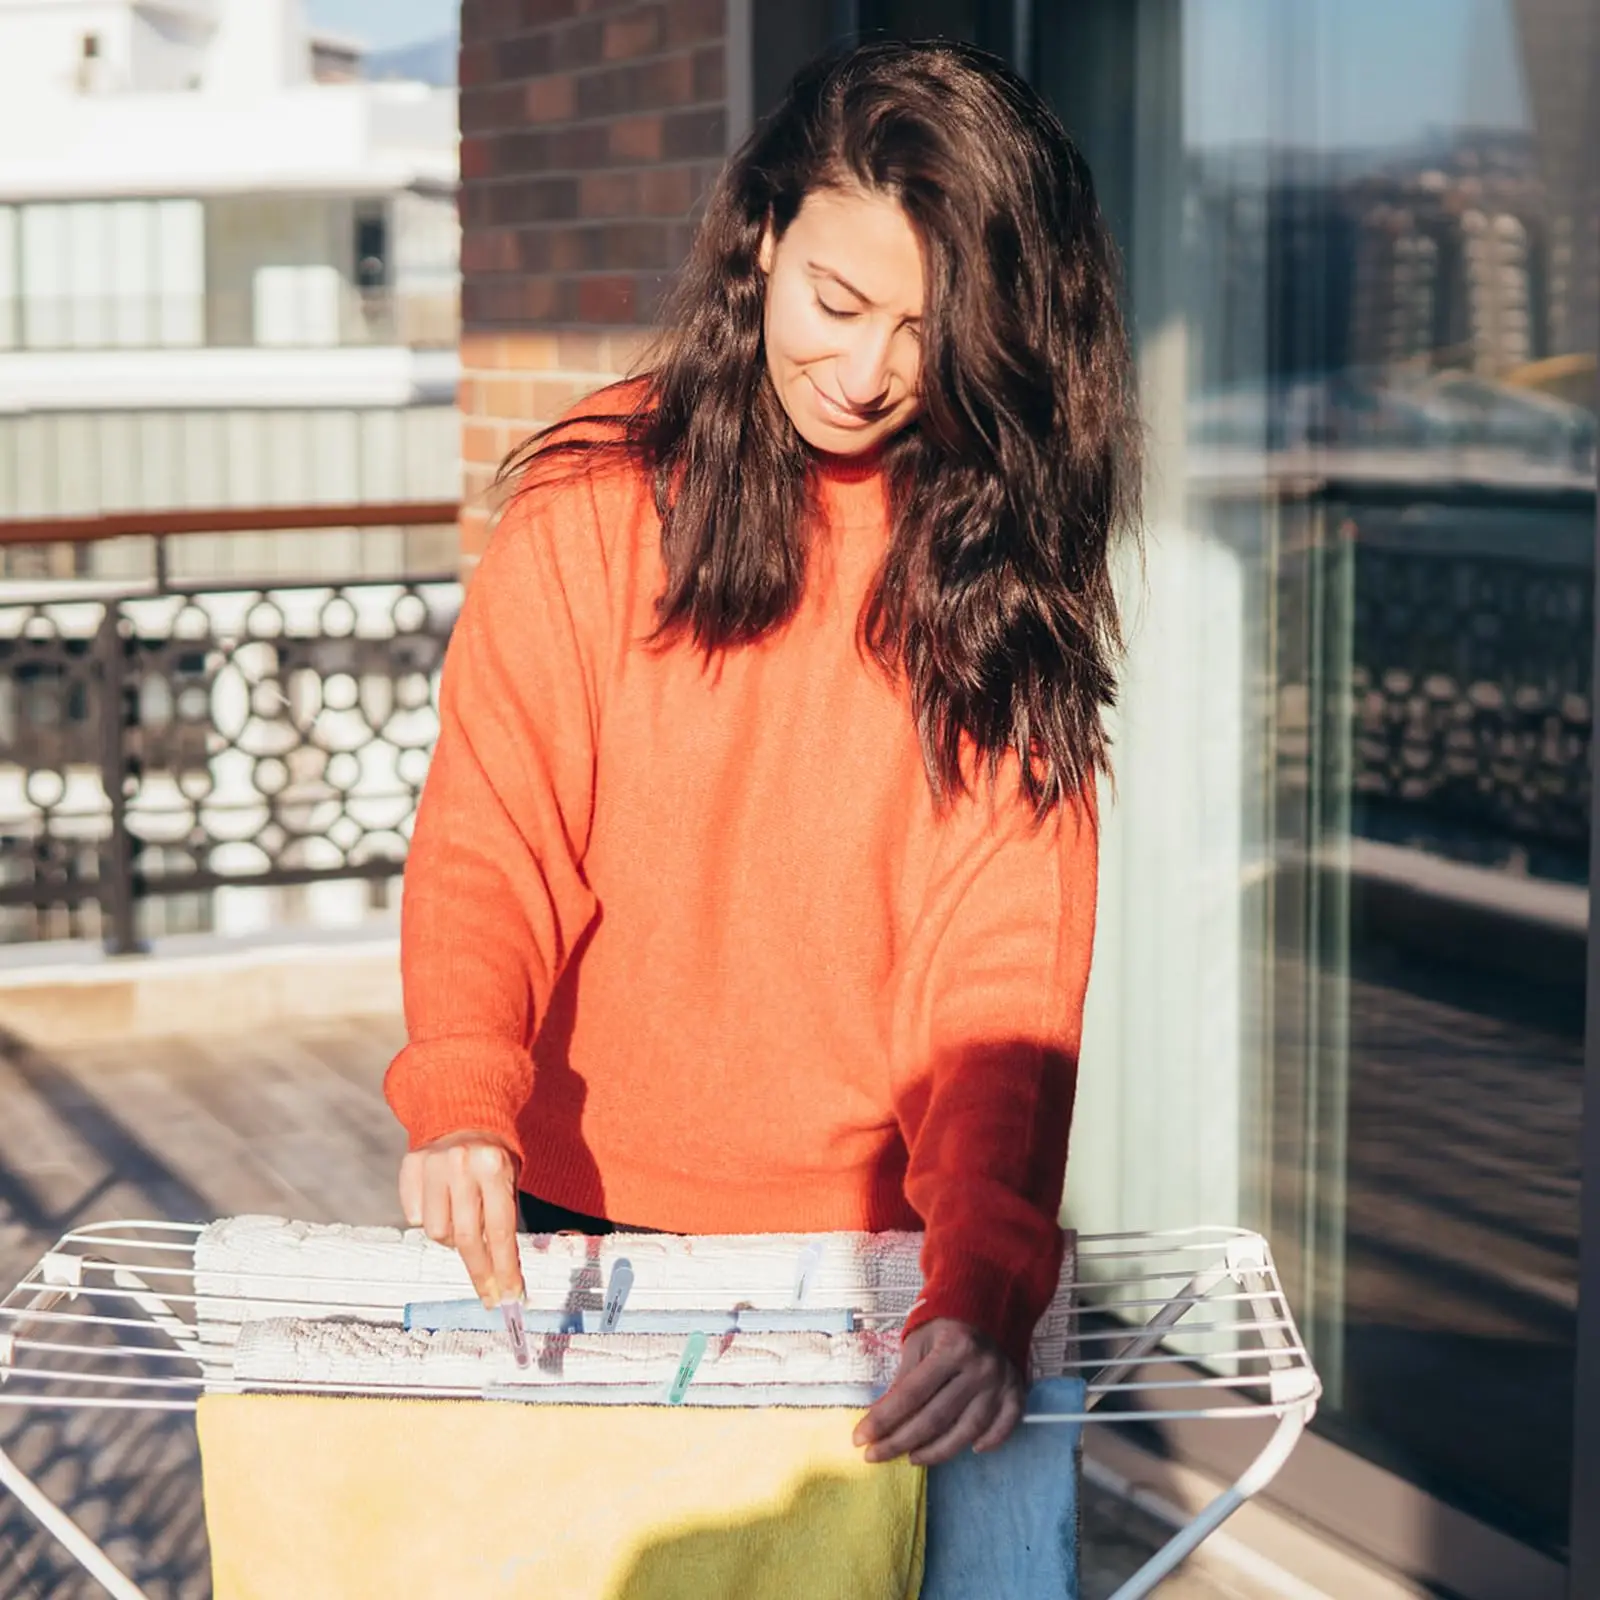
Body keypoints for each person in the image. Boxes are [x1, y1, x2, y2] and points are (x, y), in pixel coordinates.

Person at [387, 39, 1140, 1471]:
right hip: (565, 1223)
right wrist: (461, 1091)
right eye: (836, 301)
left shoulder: (996, 565)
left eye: (927, 334)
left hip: (868, 1252)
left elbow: (1002, 964)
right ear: (765, 238)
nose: (864, 374)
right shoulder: (594, 508)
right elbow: (497, 838)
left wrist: (979, 1287)